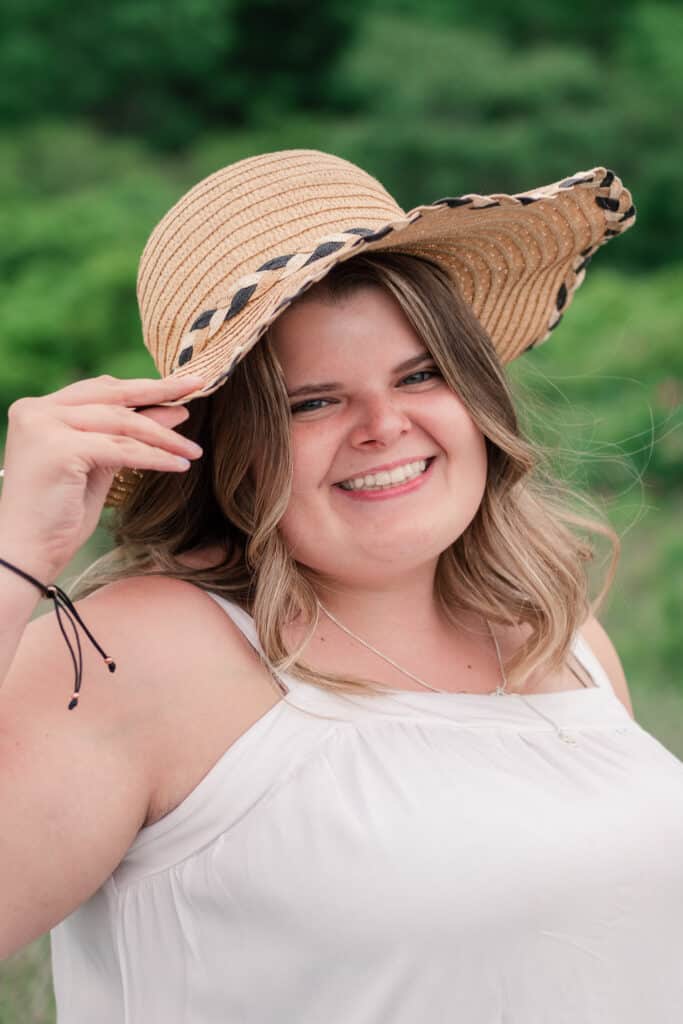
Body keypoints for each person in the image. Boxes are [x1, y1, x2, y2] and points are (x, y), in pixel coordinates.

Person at [1, 149, 681, 1021]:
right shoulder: (147, 649)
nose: (385, 427)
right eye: (311, 402)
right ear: (227, 444)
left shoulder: (562, 642)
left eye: (418, 375)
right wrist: (18, 553)